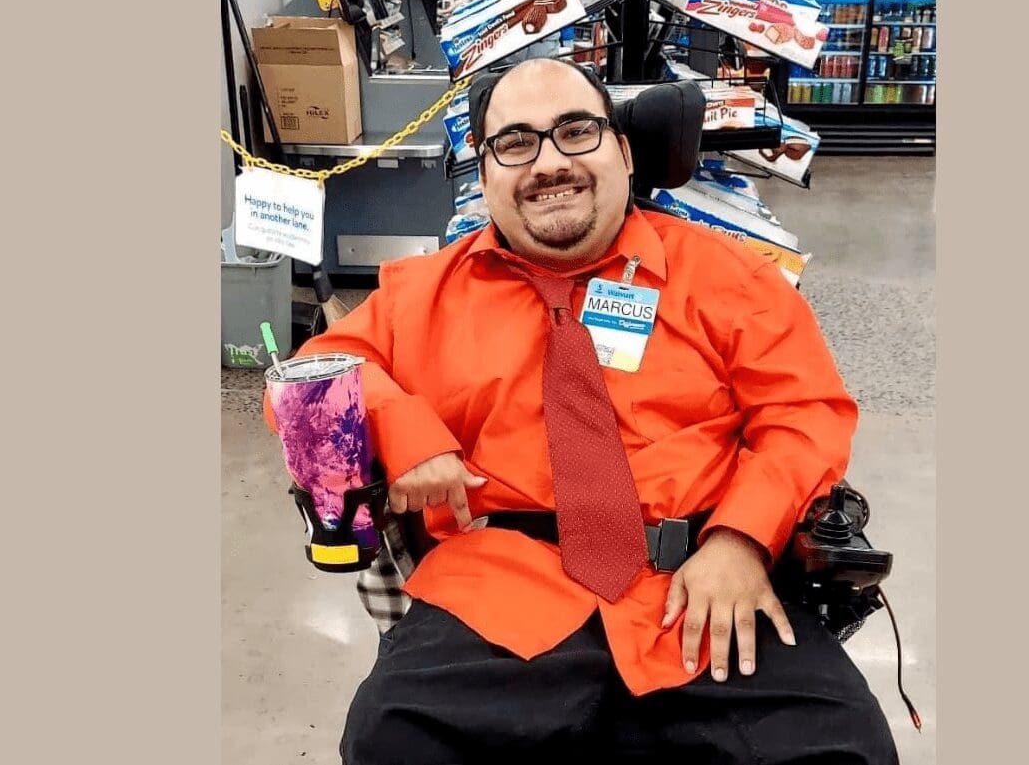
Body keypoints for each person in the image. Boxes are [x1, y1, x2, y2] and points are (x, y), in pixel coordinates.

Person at [266, 58, 897, 763]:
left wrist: (742, 540)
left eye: (575, 131)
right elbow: (303, 379)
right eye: (515, 143)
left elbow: (803, 413)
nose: (549, 163)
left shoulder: (733, 279)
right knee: (392, 740)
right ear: (484, 173)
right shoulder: (419, 297)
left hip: (701, 589)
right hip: (497, 594)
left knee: (843, 748)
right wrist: (399, 426)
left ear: (623, 151)